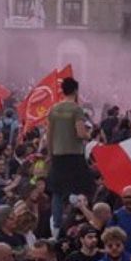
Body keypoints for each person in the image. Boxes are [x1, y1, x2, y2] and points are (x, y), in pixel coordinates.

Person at [45, 77, 91, 226]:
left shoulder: (54, 109)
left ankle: (57, 226)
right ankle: (76, 222)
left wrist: (50, 155)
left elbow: (49, 135)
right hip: (74, 155)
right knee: (81, 188)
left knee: (57, 192)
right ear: (76, 91)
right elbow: (80, 133)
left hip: (57, 156)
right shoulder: (76, 109)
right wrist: (89, 135)